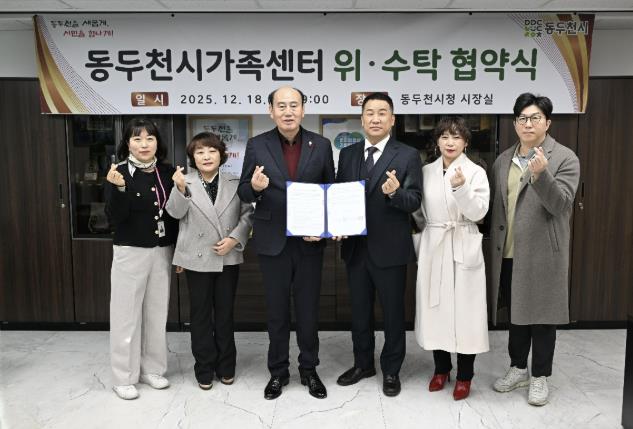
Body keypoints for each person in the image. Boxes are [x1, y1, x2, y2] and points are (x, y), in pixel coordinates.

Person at [237, 86, 335, 400]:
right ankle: (278, 372)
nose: (288, 111)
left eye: (294, 105)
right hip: (272, 240)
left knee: (308, 311)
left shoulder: (321, 145)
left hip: (309, 242)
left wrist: (325, 228)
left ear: (303, 110)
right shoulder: (257, 145)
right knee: (277, 312)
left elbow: (330, 192)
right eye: (281, 106)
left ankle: (309, 370)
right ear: (271, 111)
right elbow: (243, 191)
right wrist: (254, 187)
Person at [490, 93, 580, 406]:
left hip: (544, 253)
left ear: (547, 123)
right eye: (522, 118)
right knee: (517, 315)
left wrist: (542, 175)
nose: (528, 124)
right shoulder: (503, 160)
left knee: (542, 316)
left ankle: (540, 375)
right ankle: (518, 368)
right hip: (509, 251)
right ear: (515, 123)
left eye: (535, 118)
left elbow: (561, 204)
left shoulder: (565, 158)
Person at [335, 92, 422, 397]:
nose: (375, 118)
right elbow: (340, 196)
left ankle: (392, 370)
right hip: (356, 248)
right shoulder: (348, 154)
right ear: (362, 120)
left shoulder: (407, 155)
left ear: (392, 119)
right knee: (359, 313)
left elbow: (414, 201)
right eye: (369, 113)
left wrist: (395, 193)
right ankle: (363, 364)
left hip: (390, 249)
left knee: (393, 314)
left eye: (382, 113)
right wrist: (336, 224)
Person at [165, 132, 253, 391]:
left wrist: (234, 239)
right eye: (200, 152)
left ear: (221, 155)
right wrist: (179, 189)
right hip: (196, 257)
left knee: (225, 314)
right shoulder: (184, 181)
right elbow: (174, 214)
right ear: (192, 157)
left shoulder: (235, 182)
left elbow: (248, 214)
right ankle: (204, 368)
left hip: (228, 256)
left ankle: (226, 366)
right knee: (201, 315)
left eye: (212, 151)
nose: (206, 156)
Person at [412, 116, 490, 401]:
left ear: (465, 142)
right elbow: (419, 212)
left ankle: (465, 375)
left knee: (467, 313)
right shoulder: (426, 171)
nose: (450, 142)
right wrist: (421, 242)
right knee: (437, 310)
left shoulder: (476, 172)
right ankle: (441, 369)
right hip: (435, 244)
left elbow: (479, 212)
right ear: (437, 141)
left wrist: (461, 189)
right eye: (444, 136)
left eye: (456, 137)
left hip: (463, 242)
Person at [105, 118, 178, 400]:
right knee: (126, 315)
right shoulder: (118, 172)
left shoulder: (168, 171)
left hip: (162, 249)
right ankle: (123, 376)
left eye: (150, 138)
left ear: (158, 143)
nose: (144, 144)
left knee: (156, 313)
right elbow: (115, 217)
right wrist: (120, 189)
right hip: (130, 250)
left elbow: (174, 215)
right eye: (137, 139)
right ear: (127, 144)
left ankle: (153, 370)